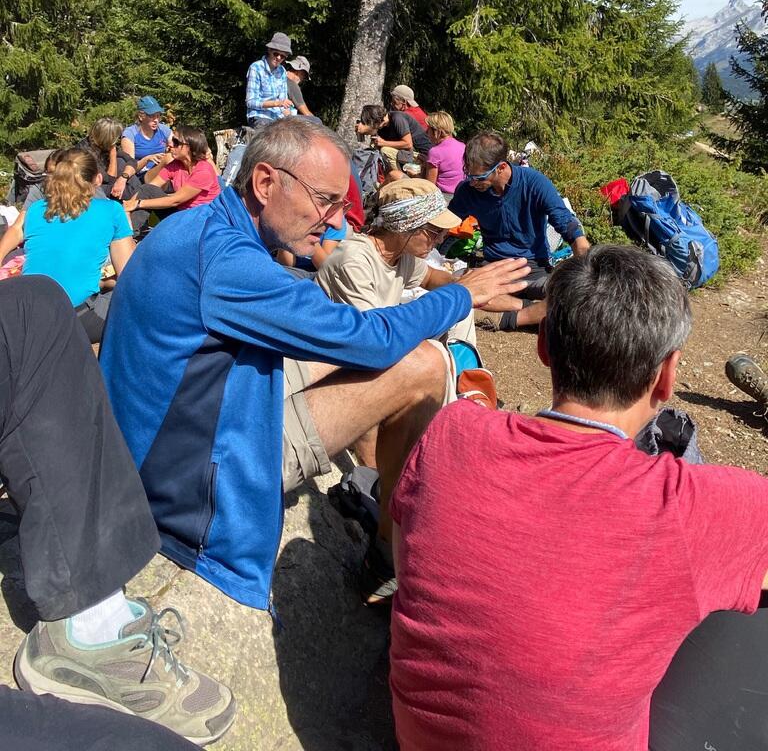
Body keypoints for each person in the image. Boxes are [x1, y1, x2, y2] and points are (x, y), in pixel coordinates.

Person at [99, 117, 529, 609]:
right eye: (326, 200)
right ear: (265, 183)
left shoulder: (202, 229)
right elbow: (371, 340)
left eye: (341, 204)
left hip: (175, 431)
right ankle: (390, 557)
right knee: (424, 364)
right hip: (187, 479)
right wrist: (462, 295)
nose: (335, 220)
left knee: (380, 357)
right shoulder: (227, 262)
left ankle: (386, 501)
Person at [389, 245, 768, 751]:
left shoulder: (453, 431)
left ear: (544, 344)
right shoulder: (696, 503)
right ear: (667, 375)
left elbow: (406, 558)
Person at [0, 275, 235, 746]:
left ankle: (96, 612)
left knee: (33, 304)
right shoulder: (227, 258)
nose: (325, 232)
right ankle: (89, 630)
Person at [317, 178, 514, 466]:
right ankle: (376, 470)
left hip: (379, 338)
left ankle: (466, 386)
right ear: (405, 226)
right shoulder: (354, 260)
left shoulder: (400, 254)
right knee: (427, 353)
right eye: (434, 232)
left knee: (461, 308)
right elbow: (372, 340)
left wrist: (466, 287)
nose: (440, 239)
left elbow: (431, 277)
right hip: (346, 358)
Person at [450, 130, 589, 330]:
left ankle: (512, 313)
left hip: (533, 267)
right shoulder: (468, 190)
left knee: (570, 293)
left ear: (501, 167)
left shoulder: (534, 182)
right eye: (469, 175)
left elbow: (565, 222)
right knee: (456, 285)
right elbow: (448, 222)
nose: (472, 182)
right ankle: (531, 310)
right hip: (494, 267)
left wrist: (583, 257)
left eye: (479, 177)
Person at [11, 148, 135, 342]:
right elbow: (128, 275)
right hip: (77, 318)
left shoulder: (35, 210)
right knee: (134, 300)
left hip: (28, 315)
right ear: (98, 179)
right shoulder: (111, 210)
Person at [123, 125, 221, 235]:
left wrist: (138, 203)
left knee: (144, 198)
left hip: (199, 221)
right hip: (180, 214)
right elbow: (149, 188)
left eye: (175, 142)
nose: (170, 144)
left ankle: (126, 235)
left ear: (189, 146)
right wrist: (128, 206)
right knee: (147, 189)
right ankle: (127, 233)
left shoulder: (203, 171)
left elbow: (175, 200)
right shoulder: (175, 165)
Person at [356, 103, 432, 182]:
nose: (372, 126)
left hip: (421, 156)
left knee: (385, 150)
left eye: (371, 123)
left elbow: (408, 144)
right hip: (406, 155)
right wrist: (362, 133)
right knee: (375, 150)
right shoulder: (383, 126)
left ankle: (402, 181)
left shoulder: (397, 118)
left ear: (376, 120)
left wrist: (383, 143)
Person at [245, 31, 294, 126]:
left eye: (282, 56)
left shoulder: (282, 71)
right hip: (259, 117)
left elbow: (283, 102)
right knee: (275, 131)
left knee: (315, 121)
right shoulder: (256, 68)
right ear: (269, 50)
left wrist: (290, 115)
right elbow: (250, 102)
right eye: (276, 54)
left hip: (278, 118)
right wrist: (276, 103)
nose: (278, 58)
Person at [120, 96, 172, 180]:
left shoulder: (163, 130)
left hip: (163, 173)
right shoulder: (130, 134)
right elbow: (129, 168)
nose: (156, 120)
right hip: (140, 176)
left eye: (158, 116)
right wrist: (147, 159)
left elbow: (175, 146)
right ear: (141, 117)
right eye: (152, 116)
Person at [423, 111, 466, 195]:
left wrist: (415, 176)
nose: (426, 132)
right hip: (461, 194)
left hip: (444, 195)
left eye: (428, 129)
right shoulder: (463, 146)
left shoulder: (435, 152)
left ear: (436, 131)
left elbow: (430, 186)